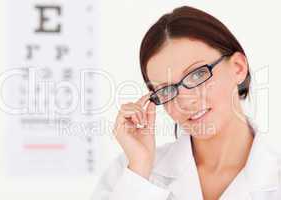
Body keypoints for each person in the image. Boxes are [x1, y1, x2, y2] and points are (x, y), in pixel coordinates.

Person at [90, 5, 281, 200]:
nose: (185, 101)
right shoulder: (128, 174)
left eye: (197, 74)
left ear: (238, 68)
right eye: (166, 90)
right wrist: (139, 171)